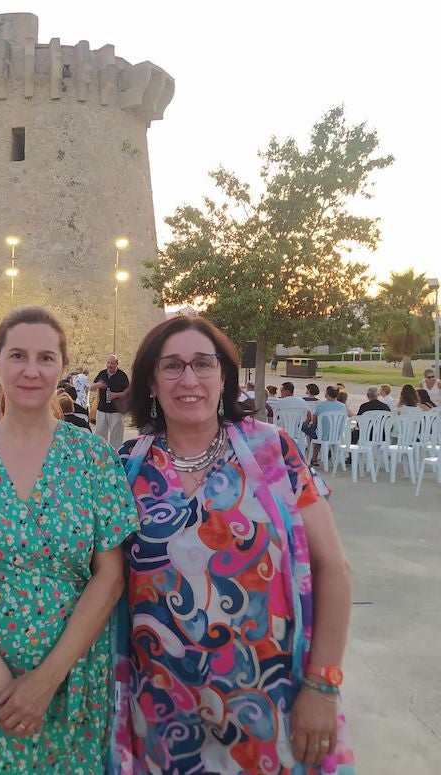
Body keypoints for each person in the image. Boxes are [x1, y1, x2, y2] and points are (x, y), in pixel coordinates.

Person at [116, 316, 354, 774]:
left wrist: (323, 685)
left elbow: (333, 568)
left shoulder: (273, 451)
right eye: (172, 366)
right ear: (150, 380)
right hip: (163, 716)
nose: (189, 379)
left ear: (224, 376)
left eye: (203, 364)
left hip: (268, 706)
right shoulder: (126, 468)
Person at [0, 306, 138, 773]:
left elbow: (109, 576)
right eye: (18, 355)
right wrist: (1, 683)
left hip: (73, 676)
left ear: (62, 368)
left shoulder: (93, 459)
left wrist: (45, 681)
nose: (31, 370)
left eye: (46, 357)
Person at [92, 354, 130, 448]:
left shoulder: (122, 376)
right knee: (100, 436)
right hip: (102, 410)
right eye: (108, 363)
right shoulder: (102, 374)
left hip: (116, 411)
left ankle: (115, 458)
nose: (109, 365)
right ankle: (100, 456)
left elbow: (127, 393)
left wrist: (116, 395)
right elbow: (90, 388)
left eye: (112, 363)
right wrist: (98, 385)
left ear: (117, 364)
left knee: (116, 437)